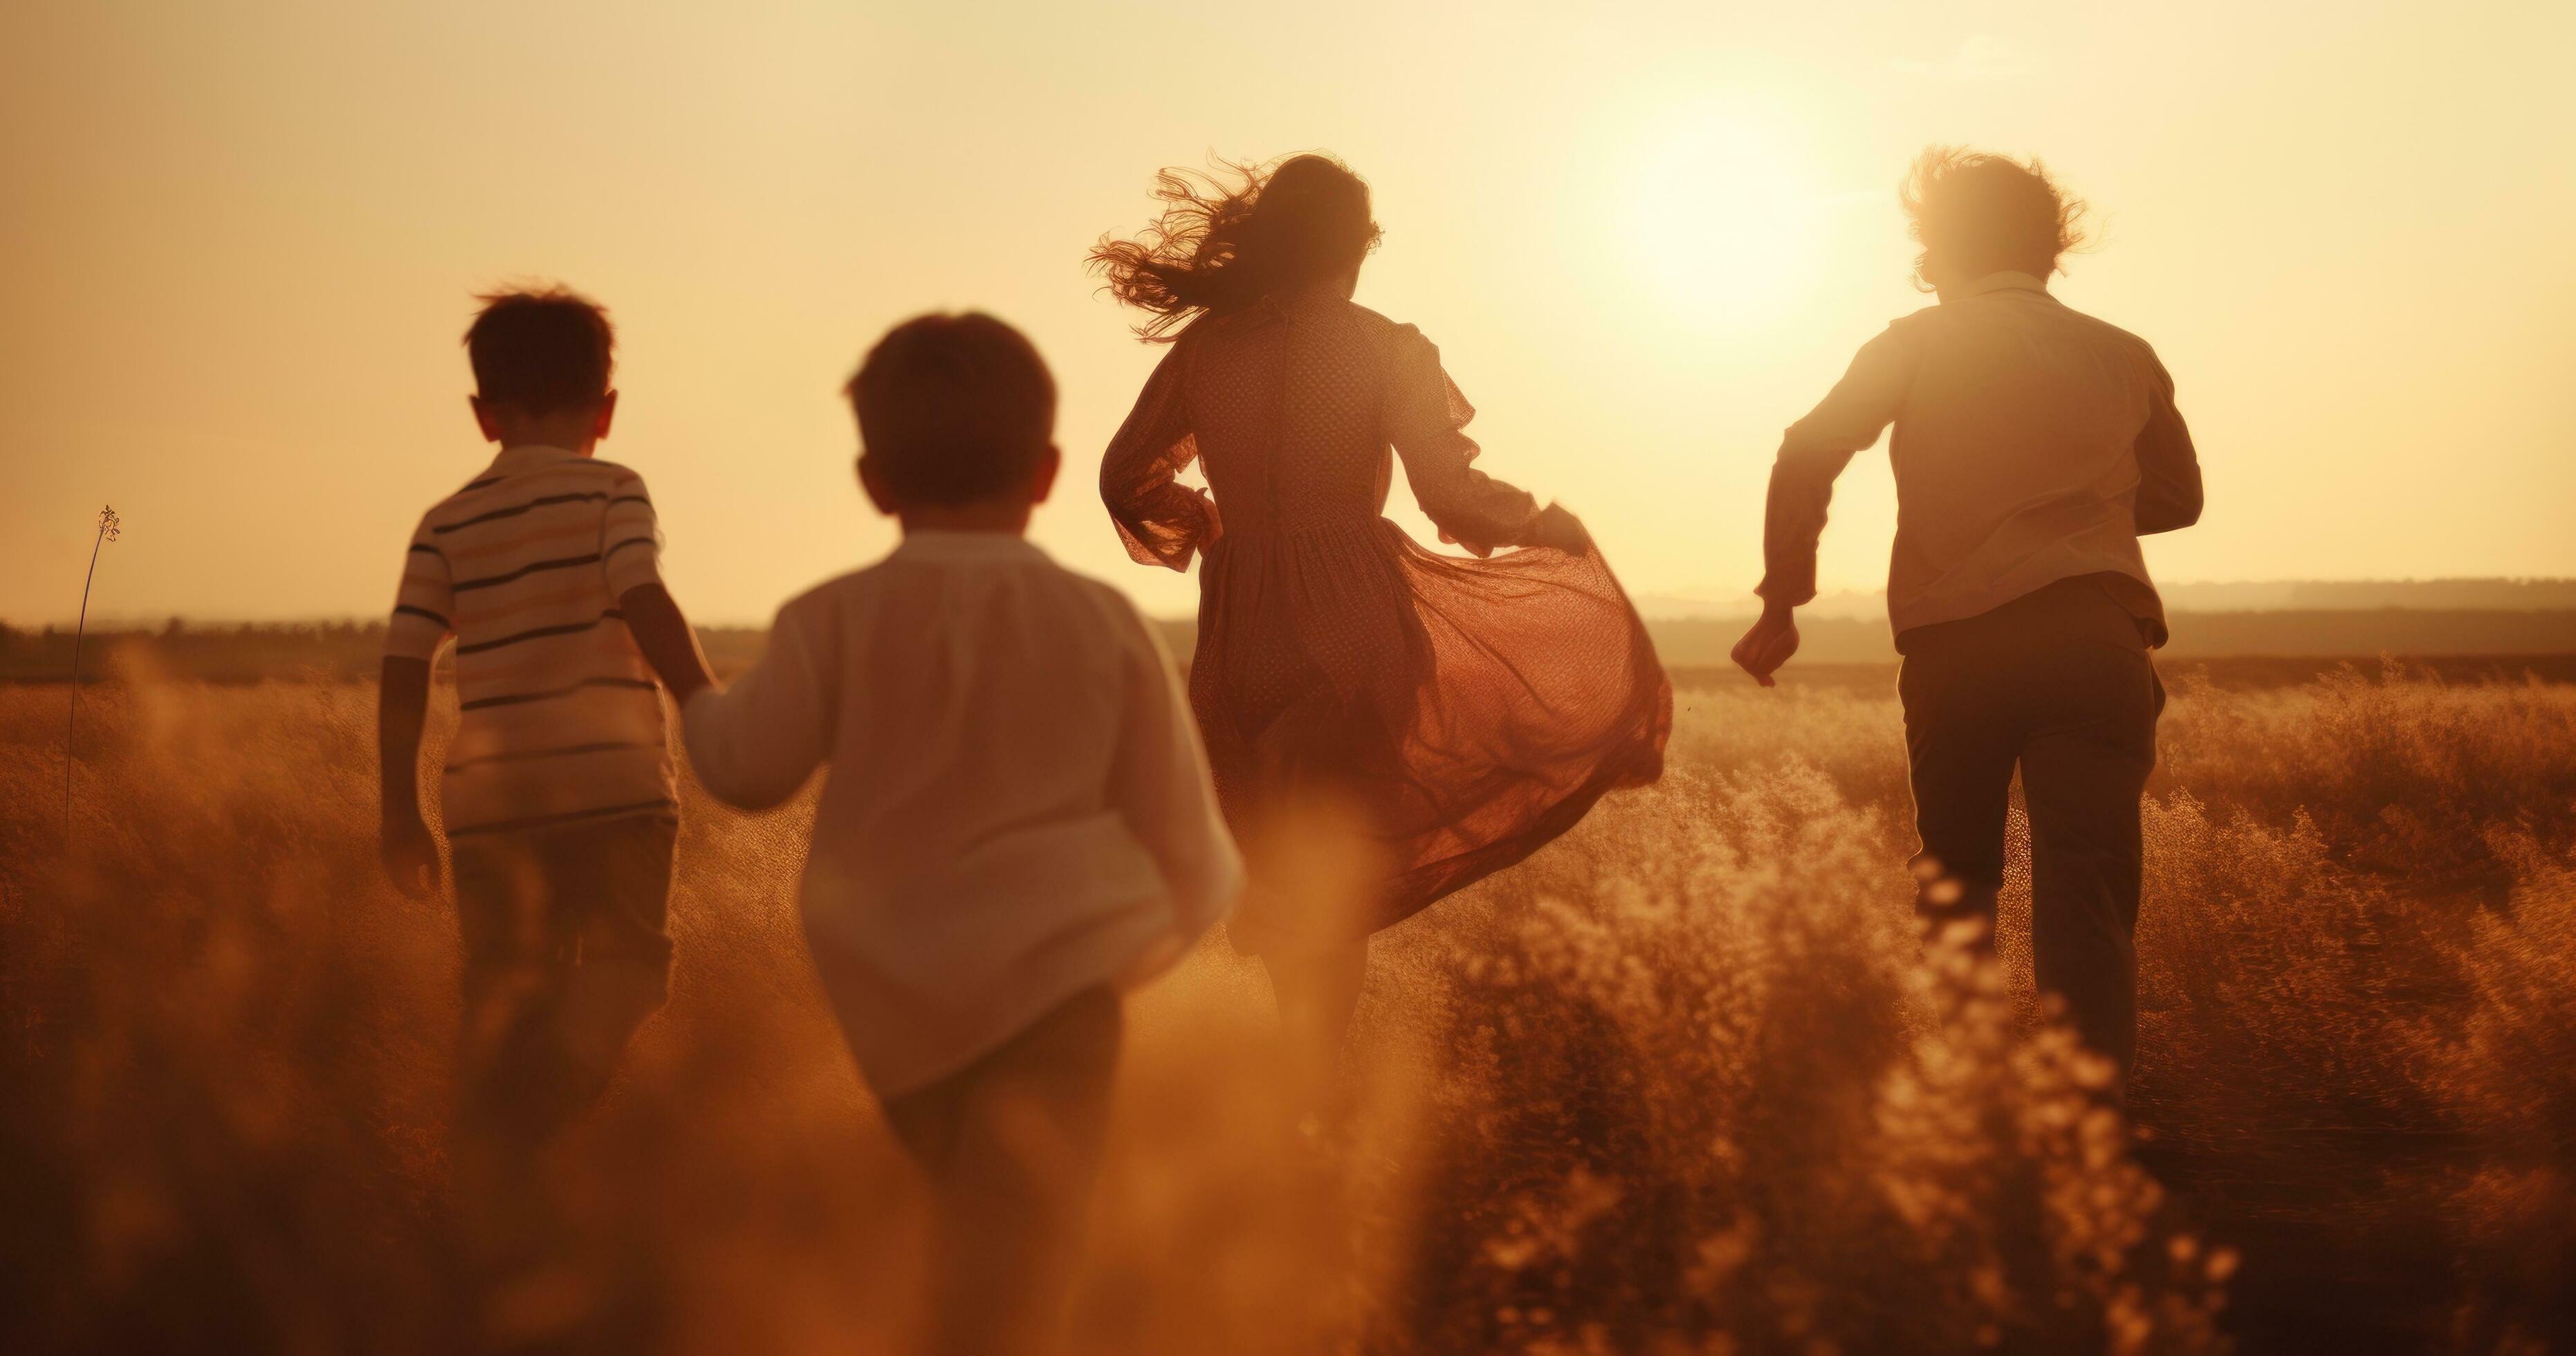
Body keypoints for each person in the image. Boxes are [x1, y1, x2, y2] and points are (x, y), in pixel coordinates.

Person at [679, 313, 1240, 1355]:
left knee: (952, 1247)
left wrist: (684, 682)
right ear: (1046, 472)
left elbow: (743, 771)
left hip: (897, 1018)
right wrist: (1115, 959)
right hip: (1065, 1002)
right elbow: (1196, 859)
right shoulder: (1103, 621)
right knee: (1025, 1269)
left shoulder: (827, 620)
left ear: (873, 481)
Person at [1092, 154, 1671, 1099]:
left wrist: (1205, 528)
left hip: (1243, 638)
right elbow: (1451, 495)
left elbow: (1125, 477)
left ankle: (1302, 1082)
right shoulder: (1385, 347)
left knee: (1286, 867)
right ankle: (1317, 1090)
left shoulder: (1206, 351)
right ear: (1357, 247)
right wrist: (1538, 523)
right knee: (1334, 875)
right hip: (1354, 626)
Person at [1731, 147, 2205, 1091]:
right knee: (2088, 890)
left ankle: (1969, 1109)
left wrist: (1786, 596)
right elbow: (2179, 499)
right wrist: (2086, 508)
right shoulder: (2124, 354)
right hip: (2091, 635)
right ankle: (2089, 1123)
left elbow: (1808, 447)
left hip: (1959, 649)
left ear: (1934, 246)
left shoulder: (1912, 343)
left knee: (1958, 886)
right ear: (2053, 243)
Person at [376, 286, 717, 1267]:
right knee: (627, 975)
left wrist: (399, 812)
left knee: (500, 996)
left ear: (484, 414)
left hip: (488, 812)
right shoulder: (615, 492)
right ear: (605, 410)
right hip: (615, 796)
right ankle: (523, 1139)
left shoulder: (444, 523)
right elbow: (641, 593)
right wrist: (704, 704)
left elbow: (404, 666)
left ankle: (489, 1198)